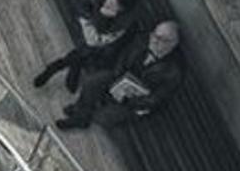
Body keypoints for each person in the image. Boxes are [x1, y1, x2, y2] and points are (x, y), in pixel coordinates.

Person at [56, 20, 184, 130]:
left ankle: (84, 116)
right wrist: (118, 79)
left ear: (172, 44)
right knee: (93, 81)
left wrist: (129, 99)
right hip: (121, 80)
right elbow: (123, 58)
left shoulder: (173, 71)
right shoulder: (142, 41)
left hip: (136, 102)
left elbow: (156, 99)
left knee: (104, 118)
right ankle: (81, 113)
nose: (155, 41)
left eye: (161, 40)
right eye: (154, 35)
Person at [34, 0, 140, 92]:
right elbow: (83, 14)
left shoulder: (124, 25)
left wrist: (103, 17)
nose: (108, 3)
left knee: (81, 54)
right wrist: (100, 16)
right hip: (86, 33)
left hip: (103, 51)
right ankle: (63, 70)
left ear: (122, 9)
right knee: (82, 52)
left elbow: (102, 43)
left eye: (114, 4)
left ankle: (60, 69)